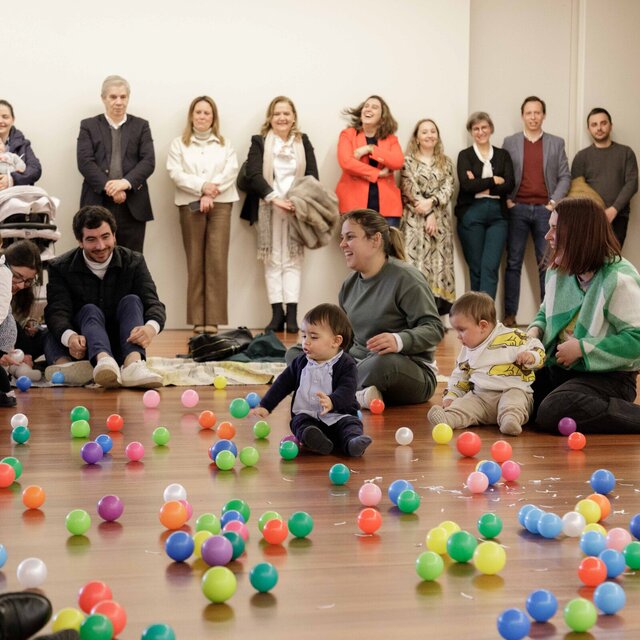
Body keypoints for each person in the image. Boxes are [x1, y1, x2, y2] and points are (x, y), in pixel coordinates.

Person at [528, 197, 640, 434]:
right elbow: (545, 313)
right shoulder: (558, 272)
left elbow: (636, 340)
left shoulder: (619, 278)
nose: (547, 236)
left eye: (555, 228)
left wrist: (582, 349)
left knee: (552, 410)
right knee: (516, 391)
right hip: (561, 370)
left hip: (609, 377)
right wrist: (533, 334)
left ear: (578, 233)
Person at [43, 206, 165, 389]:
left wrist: (150, 328)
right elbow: (57, 311)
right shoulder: (59, 267)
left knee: (132, 300)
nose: (100, 246)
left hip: (122, 342)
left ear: (114, 235)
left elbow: (153, 304)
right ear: (80, 241)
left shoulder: (134, 261)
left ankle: (132, 365)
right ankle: (96, 363)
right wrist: (71, 337)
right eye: (91, 239)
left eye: (105, 237)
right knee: (80, 316)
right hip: (83, 344)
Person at [339, 209, 444, 408]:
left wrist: (399, 340)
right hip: (360, 365)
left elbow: (434, 328)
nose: (342, 244)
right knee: (299, 354)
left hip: (406, 369)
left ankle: (337, 391)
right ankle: (357, 393)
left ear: (375, 240)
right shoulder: (349, 285)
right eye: (342, 238)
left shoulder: (407, 278)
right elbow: (346, 339)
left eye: (350, 237)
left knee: (383, 363)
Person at [239, 96, 318, 333]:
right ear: (270, 118)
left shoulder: (303, 141)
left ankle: (292, 315)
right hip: (268, 207)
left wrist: (297, 200)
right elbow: (253, 174)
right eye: (277, 114)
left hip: (296, 208)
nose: (281, 118)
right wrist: (274, 198)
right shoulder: (260, 141)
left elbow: (312, 175)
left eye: (286, 113)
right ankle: (276, 314)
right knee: (272, 260)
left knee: (293, 259)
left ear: (293, 117)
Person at [252, 303, 371, 457]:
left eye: (313, 337)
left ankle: (352, 443)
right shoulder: (300, 362)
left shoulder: (347, 364)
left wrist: (332, 401)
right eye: (304, 336)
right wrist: (266, 405)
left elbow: (347, 390)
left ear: (336, 341)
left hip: (339, 415)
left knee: (351, 424)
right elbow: (282, 383)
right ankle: (315, 440)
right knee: (299, 424)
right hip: (307, 415)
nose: (306, 342)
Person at [167, 95, 239, 335]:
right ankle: (198, 319)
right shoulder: (179, 144)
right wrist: (202, 188)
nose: (202, 116)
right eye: (198, 112)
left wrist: (211, 191)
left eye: (207, 113)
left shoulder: (225, 144)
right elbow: (175, 172)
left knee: (217, 261)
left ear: (213, 117)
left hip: (221, 203)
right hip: (190, 204)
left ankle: (213, 320)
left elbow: (231, 170)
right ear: (191, 116)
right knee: (195, 260)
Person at [427, 292, 545, 436]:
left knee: (514, 400)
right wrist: (451, 397)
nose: (458, 336)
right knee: (465, 405)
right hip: (481, 397)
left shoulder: (514, 337)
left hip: (511, 390)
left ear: (482, 325)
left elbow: (536, 346)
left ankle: (510, 420)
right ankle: (448, 418)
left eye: (461, 330)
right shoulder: (467, 350)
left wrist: (532, 356)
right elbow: (459, 376)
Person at [502, 96, 571, 327]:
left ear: (544, 115)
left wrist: (553, 203)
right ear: (523, 116)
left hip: (545, 211)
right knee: (513, 262)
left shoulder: (556, 143)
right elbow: (503, 172)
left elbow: (565, 176)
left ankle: (548, 314)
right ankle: (510, 316)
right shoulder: (510, 142)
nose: (533, 117)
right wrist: (508, 199)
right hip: (517, 209)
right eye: (529, 113)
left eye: (537, 112)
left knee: (547, 263)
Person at [76, 75, 155, 253]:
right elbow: (85, 162)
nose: (118, 102)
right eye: (113, 97)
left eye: (123, 97)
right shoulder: (88, 125)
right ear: (103, 98)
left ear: (128, 98)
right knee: (96, 256)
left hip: (132, 204)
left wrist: (124, 183)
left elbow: (148, 161)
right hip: (98, 202)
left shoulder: (141, 126)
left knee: (132, 259)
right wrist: (111, 188)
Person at [455, 112, 514, 298]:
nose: (480, 132)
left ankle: (487, 313)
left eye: (484, 127)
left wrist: (480, 184)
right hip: (471, 213)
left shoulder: (503, 155)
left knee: (490, 267)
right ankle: (475, 313)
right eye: (476, 129)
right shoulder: (465, 155)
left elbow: (509, 184)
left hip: (498, 216)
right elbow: (467, 185)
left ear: (491, 129)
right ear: (471, 132)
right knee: (476, 268)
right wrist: (493, 180)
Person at [400, 118, 455, 315]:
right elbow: (408, 189)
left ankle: (436, 317)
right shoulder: (408, 162)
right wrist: (428, 211)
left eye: (433, 131)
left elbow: (448, 188)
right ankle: (414, 314)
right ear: (416, 137)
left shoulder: (446, 162)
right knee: (415, 266)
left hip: (440, 223)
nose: (429, 135)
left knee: (438, 266)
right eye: (424, 132)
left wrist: (431, 203)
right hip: (414, 223)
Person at [571, 107, 638, 248]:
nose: (599, 128)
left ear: (610, 125)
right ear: (588, 129)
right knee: (589, 259)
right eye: (594, 124)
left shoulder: (626, 153)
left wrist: (613, 210)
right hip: (589, 219)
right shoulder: (581, 157)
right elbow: (576, 190)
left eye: (603, 123)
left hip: (618, 216)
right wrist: (595, 213)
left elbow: (632, 184)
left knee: (613, 259)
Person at [336, 95, 404, 226]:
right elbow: (346, 162)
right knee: (353, 240)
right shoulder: (348, 134)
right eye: (366, 106)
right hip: (353, 205)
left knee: (387, 241)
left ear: (382, 116)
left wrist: (370, 149)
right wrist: (378, 173)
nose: (368, 109)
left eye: (374, 107)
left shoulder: (390, 139)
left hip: (387, 208)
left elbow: (398, 162)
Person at [0, 241, 43, 406]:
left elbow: (11, 320)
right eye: (17, 276)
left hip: (9, 344)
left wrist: (28, 323)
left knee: (44, 334)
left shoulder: (18, 293)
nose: (20, 285)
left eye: (28, 281)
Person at [0, 99, 42, 190]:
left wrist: (12, 179)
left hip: (15, 193)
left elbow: (35, 169)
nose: (0, 120)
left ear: (13, 120)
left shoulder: (23, 144)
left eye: (5, 117)